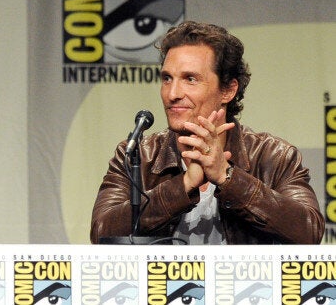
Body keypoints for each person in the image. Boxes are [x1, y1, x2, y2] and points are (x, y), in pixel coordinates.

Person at [90, 21, 324, 244]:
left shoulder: (273, 156)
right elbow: (101, 231)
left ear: (228, 90)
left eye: (190, 79)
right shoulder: (137, 156)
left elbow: (309, 231)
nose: (172, 93)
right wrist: (183, 185)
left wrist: (227, 177)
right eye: (167, 78)